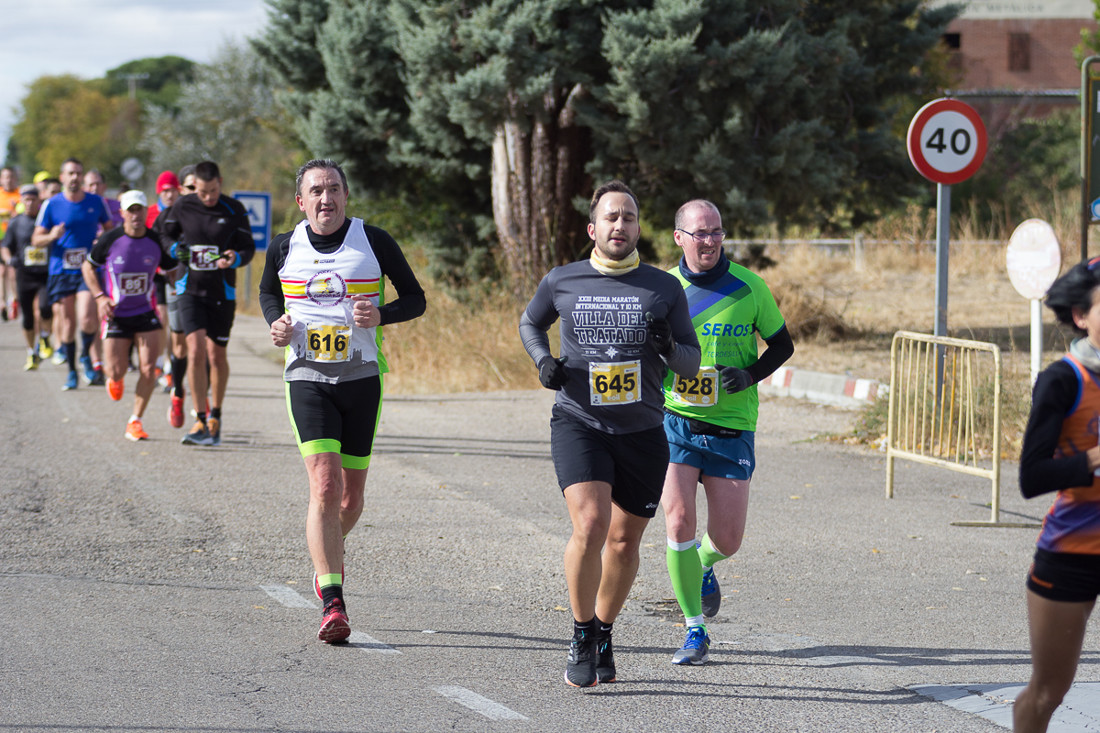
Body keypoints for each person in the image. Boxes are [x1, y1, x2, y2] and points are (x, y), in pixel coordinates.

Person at [519, 180, 701, 687]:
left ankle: (603, 629)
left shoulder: (663, 288)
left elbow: (691, 362)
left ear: (639, 227)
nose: (620, 226)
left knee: (623, 544)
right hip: (581, 421)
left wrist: (668, 346)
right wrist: (543, 362)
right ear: (592, 228)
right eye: (611, 218)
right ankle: (580, 632)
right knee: (591, 524)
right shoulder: (563, 280)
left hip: (643, 429)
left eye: (629, 217)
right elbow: (530, 324)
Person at [258, 159, 426, 643]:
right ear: (301, 201)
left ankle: (324, 552)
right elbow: (270, 292)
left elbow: (415, 298)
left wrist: (381, 315)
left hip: (360, 378)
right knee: (326, 489)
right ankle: (333, 602)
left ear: (346, 196)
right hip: (306, 378)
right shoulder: (284, 245)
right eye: (316, 191)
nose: (325, 198)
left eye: (334, 189)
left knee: (351, 500)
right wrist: (278, 323)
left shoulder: (373, 242)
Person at [658, 199, 793, 665]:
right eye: (700, 233)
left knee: (729, 539)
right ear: (680, 237)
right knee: (677, 521)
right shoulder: (664, 289)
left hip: (732, 426)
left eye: (717, 232)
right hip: (675, 421)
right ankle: (695, 631)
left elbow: (782, 345)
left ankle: (703, 563)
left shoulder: (750, 287)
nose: (711, 240)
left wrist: (750, 376)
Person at [1015, 257, 1100, 732]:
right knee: (1049, 692)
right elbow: (1032, 477)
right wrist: (1091, 458)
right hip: (1072, 552)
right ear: (1081, 316)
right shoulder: (1064, 379)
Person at [154, 160, 254, 445]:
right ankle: (199, 420)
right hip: (189, 289)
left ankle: (216, 416)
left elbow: (248, 248)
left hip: (222, 293)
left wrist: (234, 257)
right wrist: (174, 249)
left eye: (212, 191)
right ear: (193, 186)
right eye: (202, 192)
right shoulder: (184, 206)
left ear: (220, 182)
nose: (208, 197)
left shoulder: (234, 209)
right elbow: (162, 232)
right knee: (195, 350)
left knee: (216, 356)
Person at [81, 190, 178, 441]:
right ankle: (115, 378)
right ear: (122, 213)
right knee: (116, 370)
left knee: (148, 368)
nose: (136, 215)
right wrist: (100, 297)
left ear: (146, 212)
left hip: (146, 312)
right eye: (131, 210)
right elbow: (88, 266)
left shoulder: (155, 241)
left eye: (140, 210)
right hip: (116, 314)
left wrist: (177, 279)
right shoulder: (111, 239)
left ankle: (135, 420)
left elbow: (172, 268)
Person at [32, 158, 112, 390]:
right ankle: (72, 371)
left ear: (82, 176)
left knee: (88, 318)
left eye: (78, 173)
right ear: (63, 176)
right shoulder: (51, 204)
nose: (75, 177)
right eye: (70, 173)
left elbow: (110, 230)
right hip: (61, 270)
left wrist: (100, 241)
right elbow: (36, 239)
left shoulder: (96, 202)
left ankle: (86, 355)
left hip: (87, 269)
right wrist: (52, 236)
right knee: (67, 323)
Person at [0, 184, 51, 369]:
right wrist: (8, 259)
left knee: (46, 308)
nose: (30, 203)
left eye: (33, 199)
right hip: (24, 274)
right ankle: (31, 352)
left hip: (45, 274)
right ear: (22, 201)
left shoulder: (46, 220)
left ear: (39, 201)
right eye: (26, 199)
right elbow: (6, 246)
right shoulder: (16, 222)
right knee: (28, 317)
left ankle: (45, 337)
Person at [0, 166, 20, 321]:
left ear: (15, 178)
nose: (8, 179)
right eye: (5, 177)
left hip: (14, 238)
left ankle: (14, 299)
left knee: (12, 272)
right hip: (1, 238)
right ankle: (2, 303)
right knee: (1, 272)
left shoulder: (19, 195)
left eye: (11, 176)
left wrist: (14, 212)